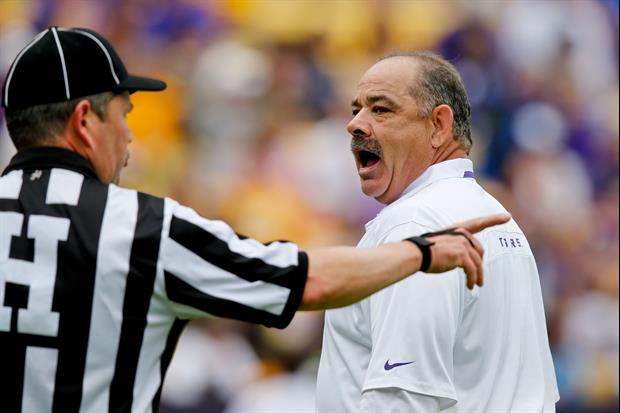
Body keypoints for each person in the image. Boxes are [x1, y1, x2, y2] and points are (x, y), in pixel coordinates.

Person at [0, 27, 509, 413]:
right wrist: (421, 252)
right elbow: (305, 282)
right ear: (85, 121)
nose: (130, 138)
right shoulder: (139, 226)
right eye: (124, 113)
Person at [316, 52, 559, 412]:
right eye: (356, 110)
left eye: (380, 109)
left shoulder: (415, 226)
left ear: (439, 126)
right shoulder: (499, 218)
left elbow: (403, 398)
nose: (355, 124)